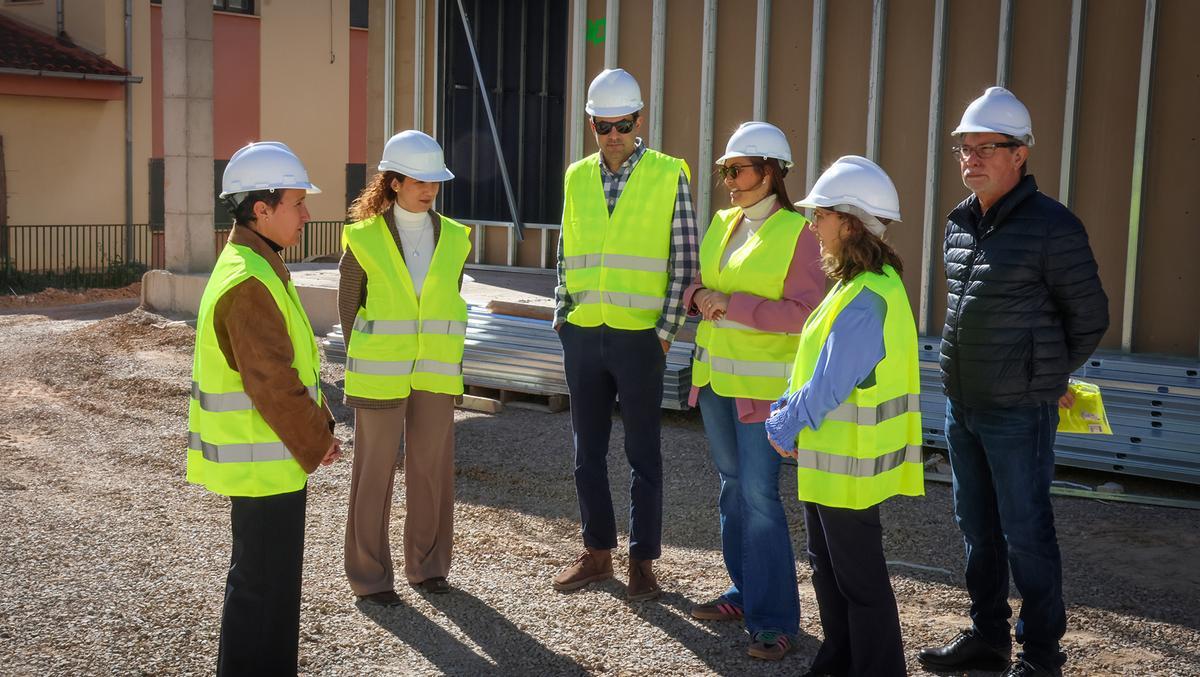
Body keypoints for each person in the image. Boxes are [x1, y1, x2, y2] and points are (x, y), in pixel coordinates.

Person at [917, 87, 1108, 677]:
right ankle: (988, 638)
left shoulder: (1053, 227)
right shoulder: (961, 222)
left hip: (1018, 412)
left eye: (985, 148)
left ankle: (1041, 656)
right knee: (976, 529)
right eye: (963, 148)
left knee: (1026, 532)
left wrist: (1041, 378)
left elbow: (1090, 317)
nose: (970, 158)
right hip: (964, 407)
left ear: (1019, 153)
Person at [765, 155, 924, 677]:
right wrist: (788, 411)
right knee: (829, 571)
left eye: (821, 215)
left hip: (847, 464)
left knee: (857, 581)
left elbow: (833, 381)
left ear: (850, 222)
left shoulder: (866, 297)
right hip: (831, 459)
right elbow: (816, 364)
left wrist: (785, 423)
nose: (813, 225)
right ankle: (837, 661)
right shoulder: (856, 284)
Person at [187, 141, 341, 675]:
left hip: (267, 464)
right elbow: (273, 382)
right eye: (297, 203)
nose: (306, 214)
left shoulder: (254, 264)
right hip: (264, 466)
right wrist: (318, 440)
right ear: (262, 209)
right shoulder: (249, 282)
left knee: (265, 590)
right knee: (262, 593)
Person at [552, 67, 699, 601]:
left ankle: (642, 562)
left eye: (624, 123)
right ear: (590, 123)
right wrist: (562, 316)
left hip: (641, 338)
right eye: (603, 125)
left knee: (644, 454)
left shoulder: (668, 174)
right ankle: (597, 555)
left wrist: (664, 334)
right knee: (585, 452)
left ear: (641, 120)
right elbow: (566, 252)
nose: (614, 135)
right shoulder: (575, 176)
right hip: (585, 334)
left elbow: (685, 259)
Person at [684, 121, 825, 660]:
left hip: (765, 394)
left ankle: (774, 621)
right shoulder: (723, 223)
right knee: (731, 488)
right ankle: (745, 592)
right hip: (717, 381)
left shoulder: (800, 234)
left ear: (772, 172)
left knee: (760, 498)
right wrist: (701, 296)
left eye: (738, 170)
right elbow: (698, 285)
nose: (730, 181)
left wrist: (732, 304)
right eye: (725, 171)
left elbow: (806, 314)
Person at [339, 130, 471, 604]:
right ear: (393, 182)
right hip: (380, 370)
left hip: (435, 370)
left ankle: (429, 567)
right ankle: (370, 577)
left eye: (435, 180)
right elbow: (349, 307)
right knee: (373, 471)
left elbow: (448, 297)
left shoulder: (456, 237)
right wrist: (369, 356)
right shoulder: (364, 238)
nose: (429, 188)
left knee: (432, 470)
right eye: (419, 179)